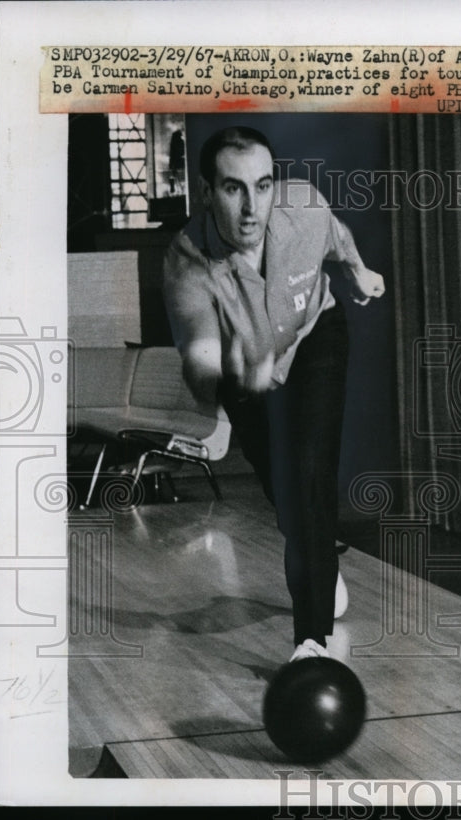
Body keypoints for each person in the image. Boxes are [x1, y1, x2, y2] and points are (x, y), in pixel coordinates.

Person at [163, 126, 385, 661]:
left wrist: (357, 270)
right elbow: (198, 364)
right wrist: (227, 371)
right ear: (207, 191)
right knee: (286, 494)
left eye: (262, 186)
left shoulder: (304, 206)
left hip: (316, 337)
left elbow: (336, 237)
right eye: (233, 188)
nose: (251, 207)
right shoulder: (186, 262)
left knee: (310, 475)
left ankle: (312, 641)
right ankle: (316, 549)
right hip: (242, 367)